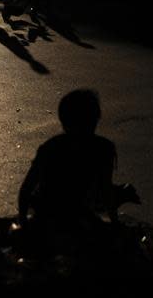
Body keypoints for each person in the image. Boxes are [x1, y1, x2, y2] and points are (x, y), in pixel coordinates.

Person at [18, 90, 117, 254]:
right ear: (96, 118)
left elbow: (27, 189)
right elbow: (106, 190)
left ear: (64, 122)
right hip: (72, 216)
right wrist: (114, 223)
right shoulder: (103, 148)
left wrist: (23, 222)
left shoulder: (50, 148)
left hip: (50, 216)